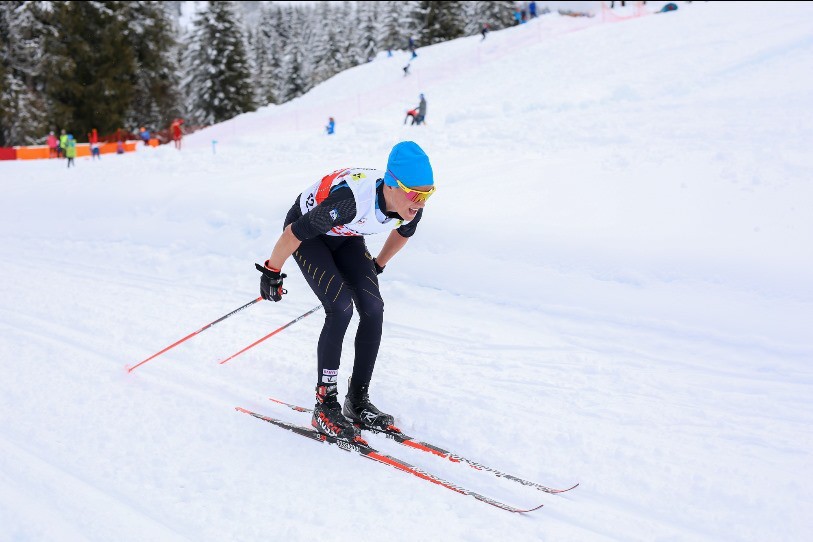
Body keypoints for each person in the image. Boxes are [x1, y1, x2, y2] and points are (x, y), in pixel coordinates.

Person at [256, 141, 436, 441]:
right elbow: (293, 233)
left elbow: (402, 233)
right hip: (309, 236)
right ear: (392, 185)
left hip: (347, 236)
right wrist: (272, 272)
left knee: (373, 308)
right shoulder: (350, 201)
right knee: (340, 307)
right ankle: (325, 405)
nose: (422, 201)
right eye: (417, 193)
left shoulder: (410, 206)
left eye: (430, 193)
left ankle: (357, 400)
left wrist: (377, 265)